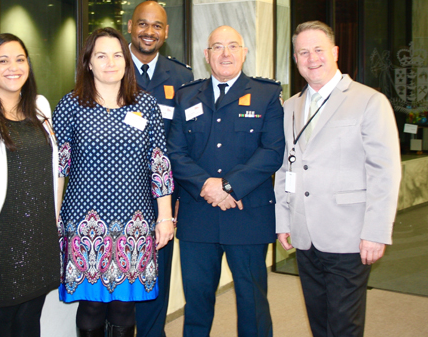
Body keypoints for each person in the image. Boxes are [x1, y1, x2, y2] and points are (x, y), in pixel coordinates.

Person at [274, 20, 401, 337]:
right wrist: (283, 220)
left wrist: (376, 231)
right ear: (295, 58)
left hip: (350, 235)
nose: (311, 58)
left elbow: (385, 172)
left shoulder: (370, 101)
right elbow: (283, 169)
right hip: (305, 235)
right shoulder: (290, 107)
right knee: (318, 320)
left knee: (344, 324)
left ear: (334, 52)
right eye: (303, 52)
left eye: (318, 49)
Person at [53, 27, 175, 337]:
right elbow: (59, 166)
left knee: (125, 304)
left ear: (126, 61)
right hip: (85, 223)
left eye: (117, 55)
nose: (110, 62)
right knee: (92, 304)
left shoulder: (145, 105)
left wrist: (164, 217)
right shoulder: (71, 105)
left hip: (135, 223)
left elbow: (159, 163)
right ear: (88, 63)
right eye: (101, 55)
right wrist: (53, 217)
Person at [167, 25, 284, 337]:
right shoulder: (187, 96)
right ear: (207, 56)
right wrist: (207, 186)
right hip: (198, 214)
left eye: (233, 46)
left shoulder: (266, 94)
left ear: (244, 52)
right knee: (197, 303)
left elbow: (272, 151)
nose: (225, 53)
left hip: (247, 213)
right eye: (217, 47)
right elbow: (174, 152)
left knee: (252, 301)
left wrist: (229, 187)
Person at [0, 33, 60, 337]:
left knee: (28, 323)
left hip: (40, 237)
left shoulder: (40, 106)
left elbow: (52, 170)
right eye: (2, 60)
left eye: (20, 59)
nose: (13, 67)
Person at [127, 0, 193, 337]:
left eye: (156, 26)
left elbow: (183, 144)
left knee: (157, 276)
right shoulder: (109, 65)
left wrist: (179, 196)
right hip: (115, 196)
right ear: (130, 26)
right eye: (142, 24)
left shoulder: (182, 77)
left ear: (165, 33)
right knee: (116, 282)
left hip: (160, 199)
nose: (148, 32)